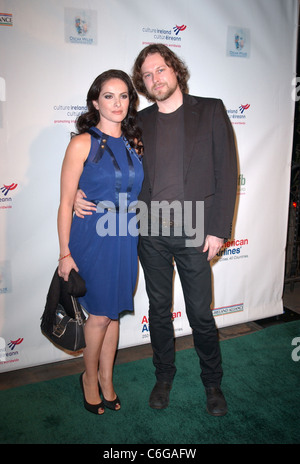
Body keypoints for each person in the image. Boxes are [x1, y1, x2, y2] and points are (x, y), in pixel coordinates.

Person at [74, 44, 237, 416]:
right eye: (147, 75)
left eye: (160, 70)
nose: (155, 79)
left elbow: (226, 173)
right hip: (149, 231)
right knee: (159, 311)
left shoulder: (210, 109)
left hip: (197, 228)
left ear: (175, 69)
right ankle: (163, 377)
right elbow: (106, 161)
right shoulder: (138, 122)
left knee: (199, 312)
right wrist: (77, 193)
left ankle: (213, 383)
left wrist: (218, 230)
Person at [57, 69, 143, 415]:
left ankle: (108, 379)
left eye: (123, 95)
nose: (117, 102)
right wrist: (65, 253)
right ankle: (88, 378)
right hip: (92, 238)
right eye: (109, 95)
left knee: (113, 315)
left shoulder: (134, 143)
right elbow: (65, 202)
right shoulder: (81, 143)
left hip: (126, 238)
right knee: (100, 317)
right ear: (96, 101)